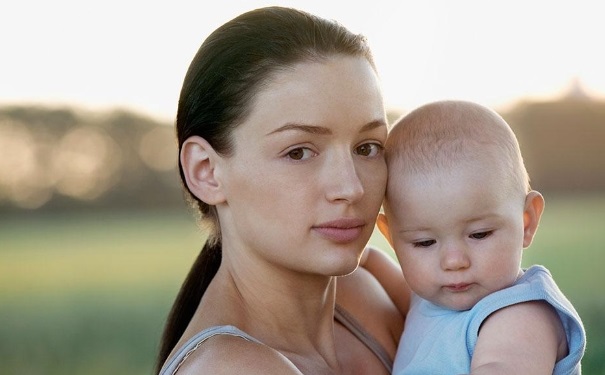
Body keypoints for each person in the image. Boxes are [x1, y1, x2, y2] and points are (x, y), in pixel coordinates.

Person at [155, 6, 408, 375]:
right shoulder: (231, 369)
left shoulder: (366, 297)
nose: (351, 188)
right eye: (299, 152)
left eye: (367, 148)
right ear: (206, 172)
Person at [376, 100, 586, 374]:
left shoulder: (520, 317)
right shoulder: (428, 295)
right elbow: (364, 264)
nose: (454, 261)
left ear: (526, 222)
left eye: (479, 234)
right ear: (391, 238)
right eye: (424, 242)